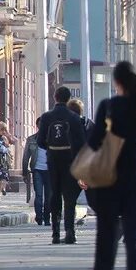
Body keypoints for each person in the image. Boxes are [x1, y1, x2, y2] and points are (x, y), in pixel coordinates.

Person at [87, 61, 136, 270]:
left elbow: (94, 141)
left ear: (116, 82)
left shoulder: (107, 106)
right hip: (135, 178)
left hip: (108, 179)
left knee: (106, 234)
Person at [38, 86, 84, 243]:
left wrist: (51, 150)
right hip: (70, 162)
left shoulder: (46, 117)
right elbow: (81, 143)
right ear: (68, 98)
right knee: (69, 198)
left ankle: (55, 233)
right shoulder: (74, 118)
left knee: (54, 195)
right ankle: (70, 232)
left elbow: (40, 141)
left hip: (53, 161)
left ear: (55, 97)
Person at [22, 118, 50, 226]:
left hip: (50, 171)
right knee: (39, 195)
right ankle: (39, 218)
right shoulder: (31, 139)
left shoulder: (52, 139)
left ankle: (47, 218)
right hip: (37, 170)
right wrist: (25, 172)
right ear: (37, 126)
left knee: (49, 196)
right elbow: (26, 157)